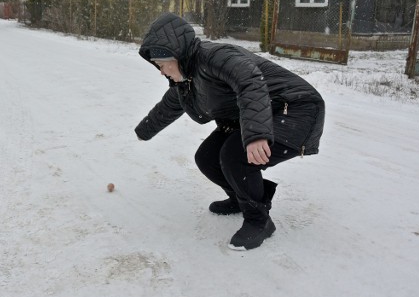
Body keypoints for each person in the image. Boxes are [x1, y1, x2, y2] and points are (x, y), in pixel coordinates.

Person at [135, 13, 325, 250]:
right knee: (207, 158)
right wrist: (142, 132)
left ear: (175, 55)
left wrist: (256, 135)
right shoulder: (187, 78)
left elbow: (249, 81)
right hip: (259, 114)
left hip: (296, 109)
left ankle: (259, 220)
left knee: (235, 156)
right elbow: (169, 106)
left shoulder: (216, 57)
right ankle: (240, 198)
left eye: (162, 65)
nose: (161, 72)